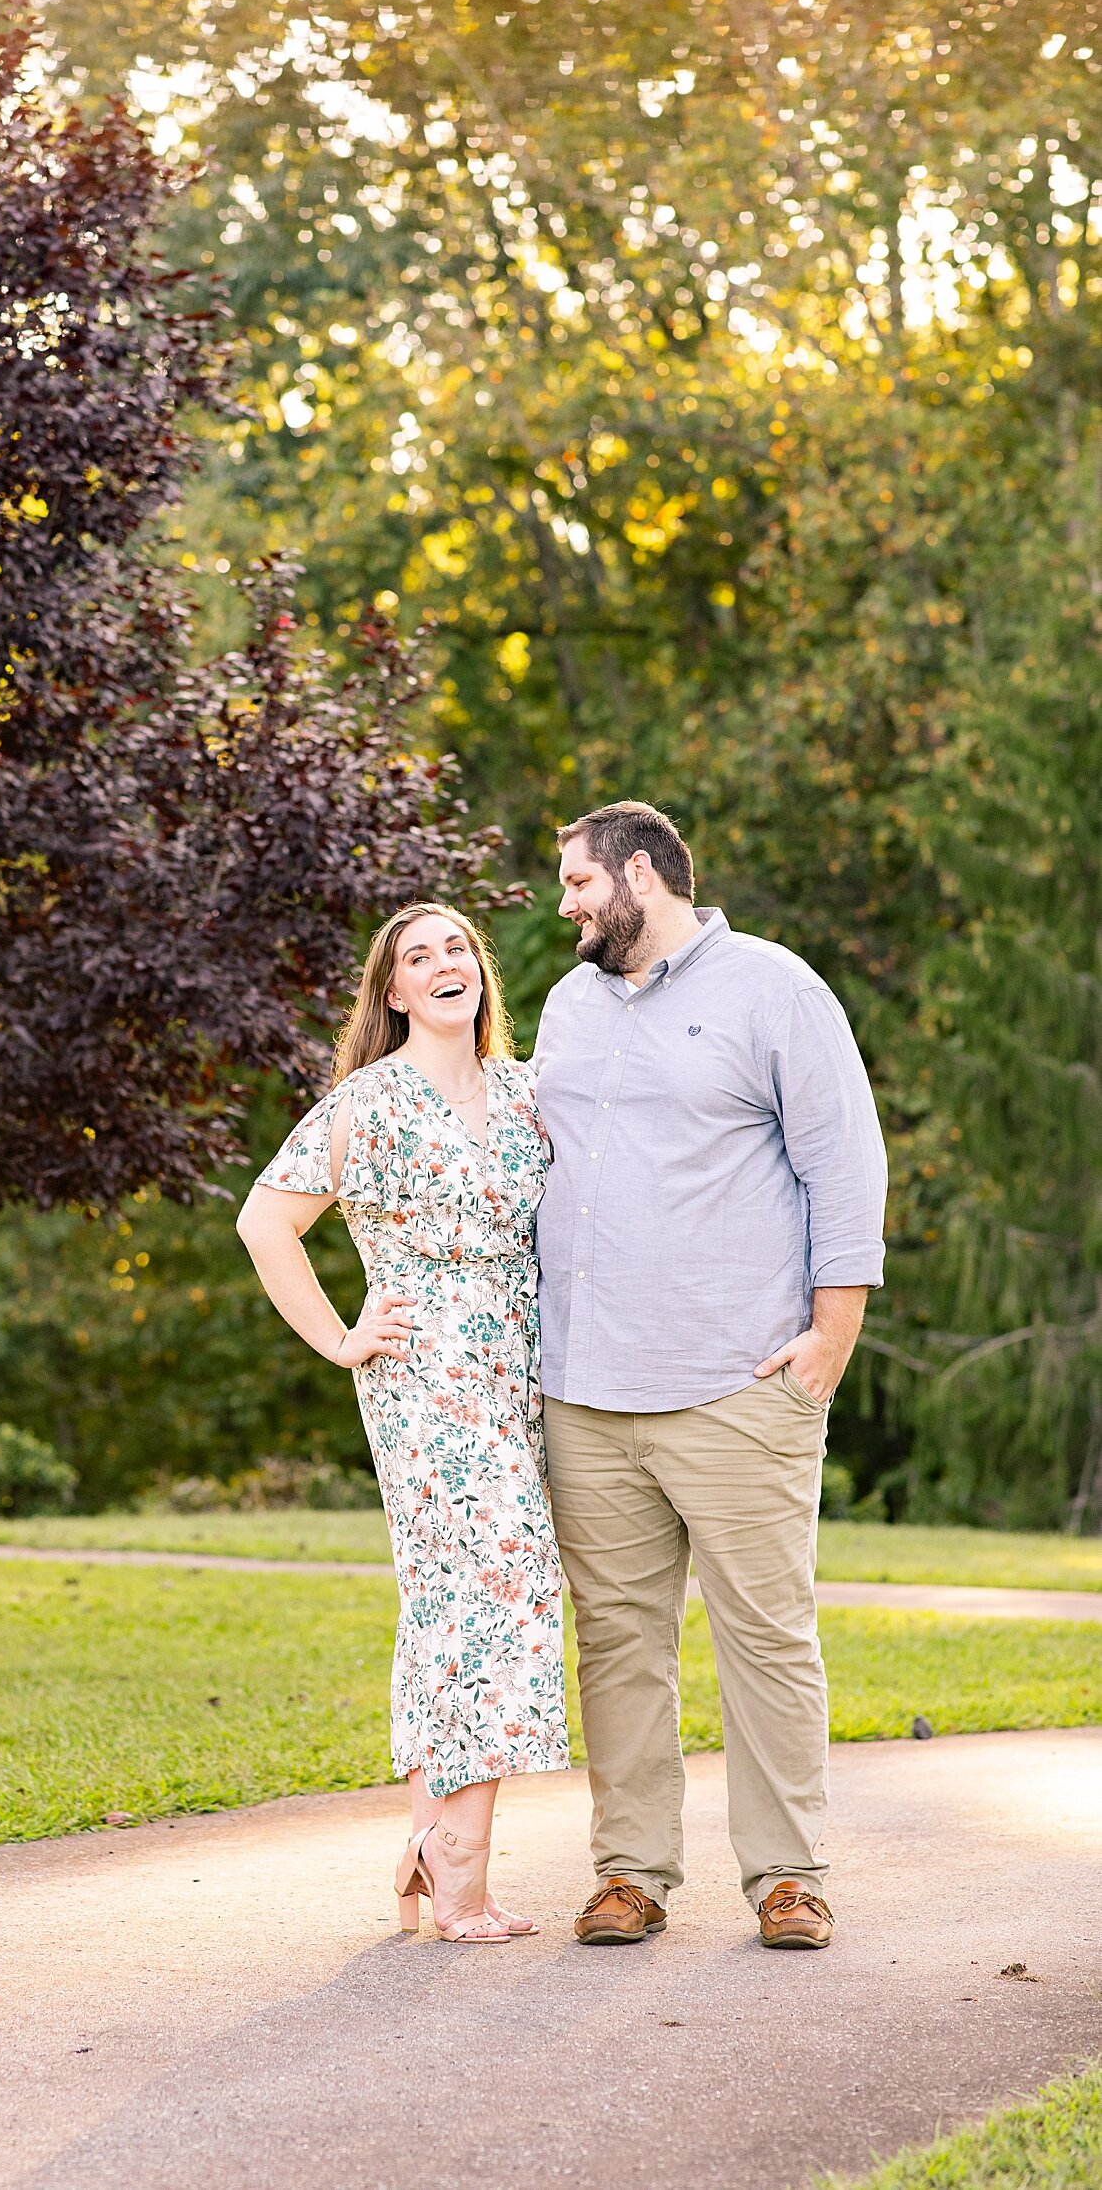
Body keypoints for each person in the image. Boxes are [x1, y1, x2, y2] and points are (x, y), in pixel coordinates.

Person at [534, 802, 887, 1952]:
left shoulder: (774, 988)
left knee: (766, 1636)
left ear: (643, 873)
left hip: (737, 1381)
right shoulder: (567, 1005)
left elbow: (843, 1161)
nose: (567, 904)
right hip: (585, 1391)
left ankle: (788, 1876)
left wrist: (831, 1337)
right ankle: (631, 1874)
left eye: (580, 882)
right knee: (618, 1641)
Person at [237, 901, 569, 1944]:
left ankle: (433, 1842)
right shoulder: (368, 1103)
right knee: (495, 1593)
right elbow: (265, 1221)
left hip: (520, 1380)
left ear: (481, 973)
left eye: (456, 949)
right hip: (425, 1384)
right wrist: (340, 1335)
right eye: (416, 958)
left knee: (452, 1604)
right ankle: (460, 1869)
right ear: (392, 993)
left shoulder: (527, 1094)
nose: (440, 966)